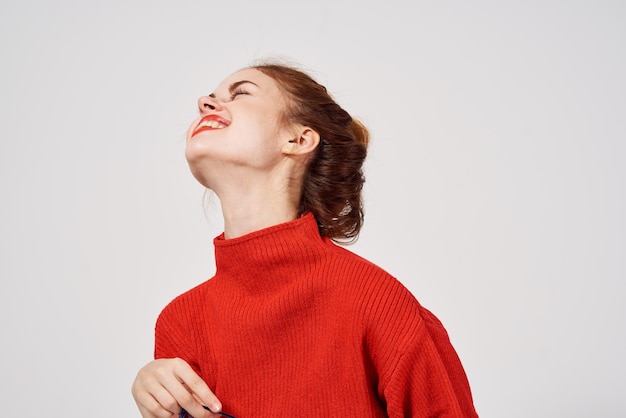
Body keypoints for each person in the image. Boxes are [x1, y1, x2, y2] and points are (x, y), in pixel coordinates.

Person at [131, 61, 479, 418]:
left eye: (241, 93)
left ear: (298, 139)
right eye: (209, 98)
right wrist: (161, 406)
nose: (205, 103)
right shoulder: (180, 323)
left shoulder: (374, 301)